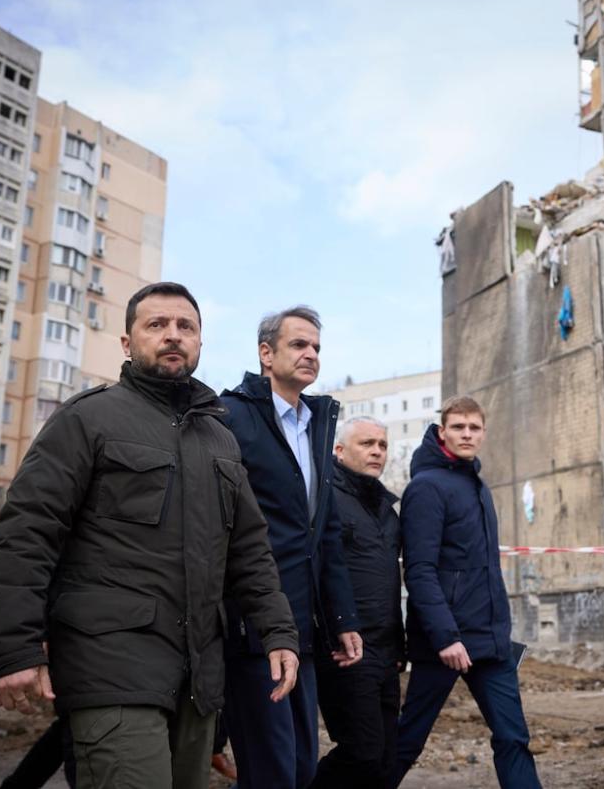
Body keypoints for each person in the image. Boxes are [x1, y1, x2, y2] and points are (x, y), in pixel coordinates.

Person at [0, 282, 299, 789]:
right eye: (156, 325)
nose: (173, 336)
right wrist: (10, 647)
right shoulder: (88, 419)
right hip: (111, 667)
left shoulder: (220, 439)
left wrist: (278, 630)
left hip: (199, 677)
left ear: (200, 343)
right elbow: (27, 532)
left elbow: (249, 550)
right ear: (127, 343)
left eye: (185, 326)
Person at [219, 306, 362, 788]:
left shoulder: (316, 425)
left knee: (301, 768)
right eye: (299, 344)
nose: (311, 354)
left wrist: (341, 618)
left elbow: (324, 535)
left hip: (303, 628)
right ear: (266, 353)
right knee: (271, 772)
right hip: (252, 626)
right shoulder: (231, 417)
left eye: (317, 347)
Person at [392, 396, 541, 788]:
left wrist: (500, 631)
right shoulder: (426, 488)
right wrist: (445, 637)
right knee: (408, 742)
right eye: (458, 427)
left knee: (513, 738)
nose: (467, 434)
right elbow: (419, 571)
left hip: (489, 643)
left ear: (483, 433)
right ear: (442, 432)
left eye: (474, 428)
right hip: (444, 645)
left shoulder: (478, 487)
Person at [313, 416, 402, 787]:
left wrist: (399, 646)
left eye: (382, 445)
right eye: (367, 444)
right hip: (347, 648)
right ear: (339, 450)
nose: (377, 452)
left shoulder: (386, 508)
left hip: (385, 650)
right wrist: (334, 630)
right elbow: (317, 571)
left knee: (384, 758)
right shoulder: (325, 498)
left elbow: (389, 582)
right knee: (362, 752)